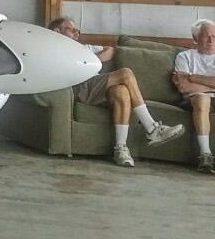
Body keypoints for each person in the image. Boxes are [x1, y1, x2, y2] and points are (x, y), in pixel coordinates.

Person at [49, 18, 185, 167]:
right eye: (71, 29)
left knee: (122, 92)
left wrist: (92, 61)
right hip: (81, 87)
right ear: (57, 31)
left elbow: (110, 50)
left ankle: (120, 148)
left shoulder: (85, 48)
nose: (77, 33)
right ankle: (152, 128)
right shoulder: (55, 50)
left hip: (95, 86)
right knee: (125, 73)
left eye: (78, 30)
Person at [173, 19, 215, 174]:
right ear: (196, 38)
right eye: (206, 36)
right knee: (202, 98)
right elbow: (184, 87)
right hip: (194, 100)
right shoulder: (185, 57)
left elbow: (190, 82)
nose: (211, 40)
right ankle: (206, 156)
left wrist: (194, 77)